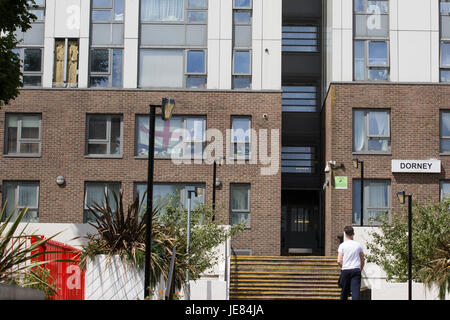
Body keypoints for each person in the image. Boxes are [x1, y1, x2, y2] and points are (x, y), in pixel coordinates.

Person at [337, 226, 365, 300]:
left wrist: (343, 267)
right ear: (353, 233)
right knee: (356, 292)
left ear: (345, 234)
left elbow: (339, 261)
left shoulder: (342, 245)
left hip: (345, 270)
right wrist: (360, 269)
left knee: (344, 292)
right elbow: (362, 259)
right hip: (356, 270)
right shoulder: (358, 245)